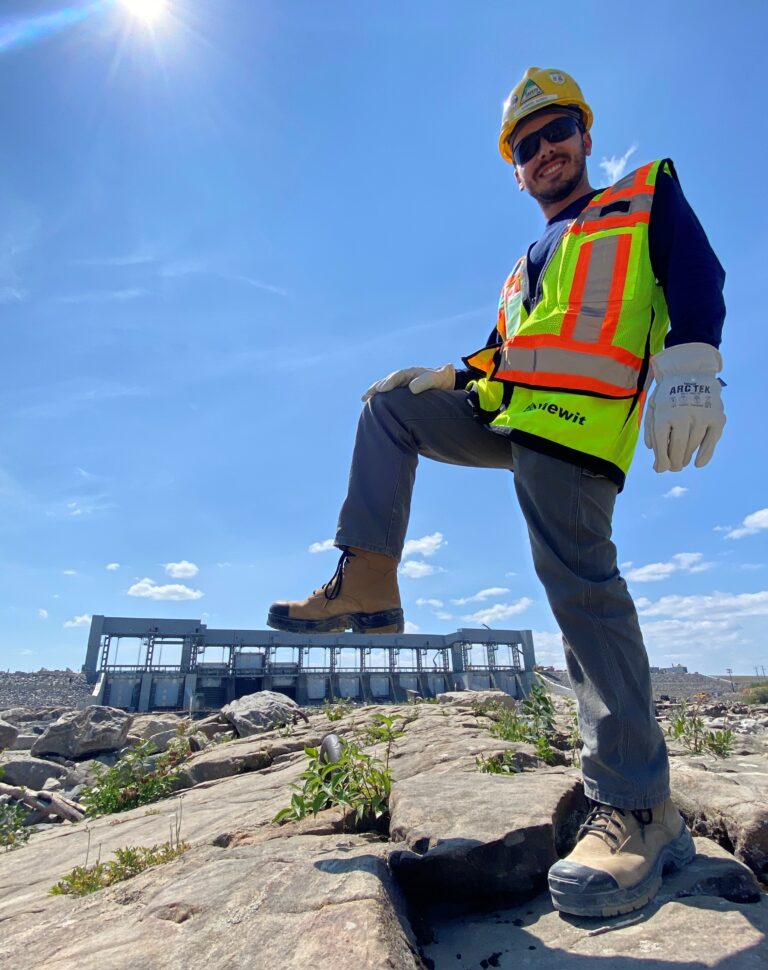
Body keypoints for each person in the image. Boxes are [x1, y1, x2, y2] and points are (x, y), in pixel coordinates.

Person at [267, 67, 726, 918]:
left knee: (581, 590)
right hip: (514, 416)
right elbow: (508, 355)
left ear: (586, 135)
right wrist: (452, 373)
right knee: (389, 408)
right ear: (514, 167)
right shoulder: (523, 268)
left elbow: (696, 271)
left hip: (578, 430)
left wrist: (696, 360)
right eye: (526, 145)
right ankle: (367, 577)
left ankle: (636, 806)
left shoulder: (639, 199)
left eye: (557, 132)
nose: (544, 151)